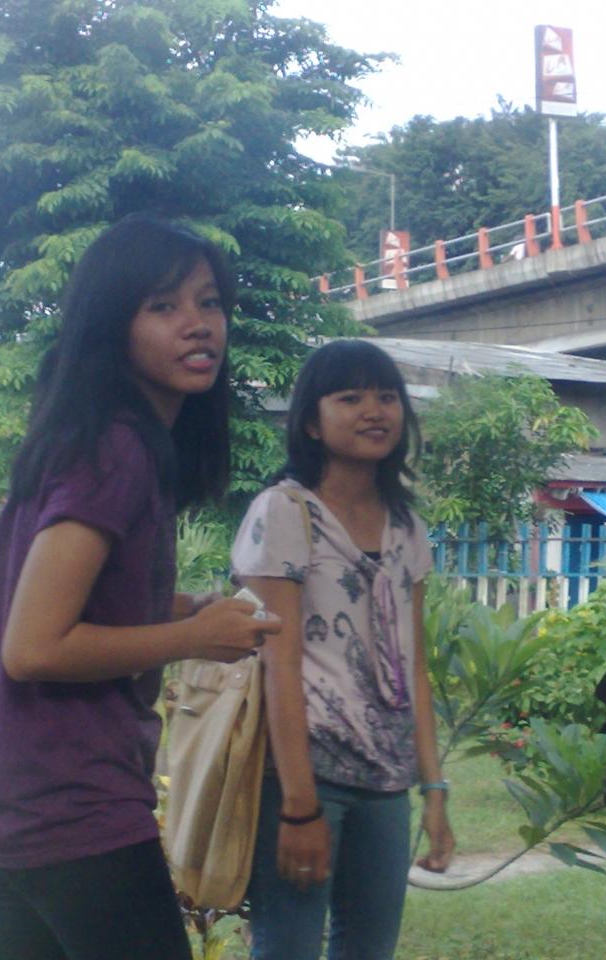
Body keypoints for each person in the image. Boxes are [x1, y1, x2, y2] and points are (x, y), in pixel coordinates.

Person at [0, 214, 280, 960]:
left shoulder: (96, 437)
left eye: (209, 302)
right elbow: (34, 646)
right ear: (112, 326)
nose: (198, 324)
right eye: (163, 306)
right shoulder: (115, 449)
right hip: (74, 797)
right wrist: (194, 636)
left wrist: (188, 609)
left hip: (19, 790)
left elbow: (76, 606)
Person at [232, 338, 455, 960]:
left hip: (386, 779)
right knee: (289, 947)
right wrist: (299, 808)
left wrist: (434, 790)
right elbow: (278, 664)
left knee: (369, 950)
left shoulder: (406, 525)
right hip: (303, 776)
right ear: (312, 421)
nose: (374, 411)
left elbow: (414, 666)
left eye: (386, 397)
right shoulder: (285, 512)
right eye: (350, 398)